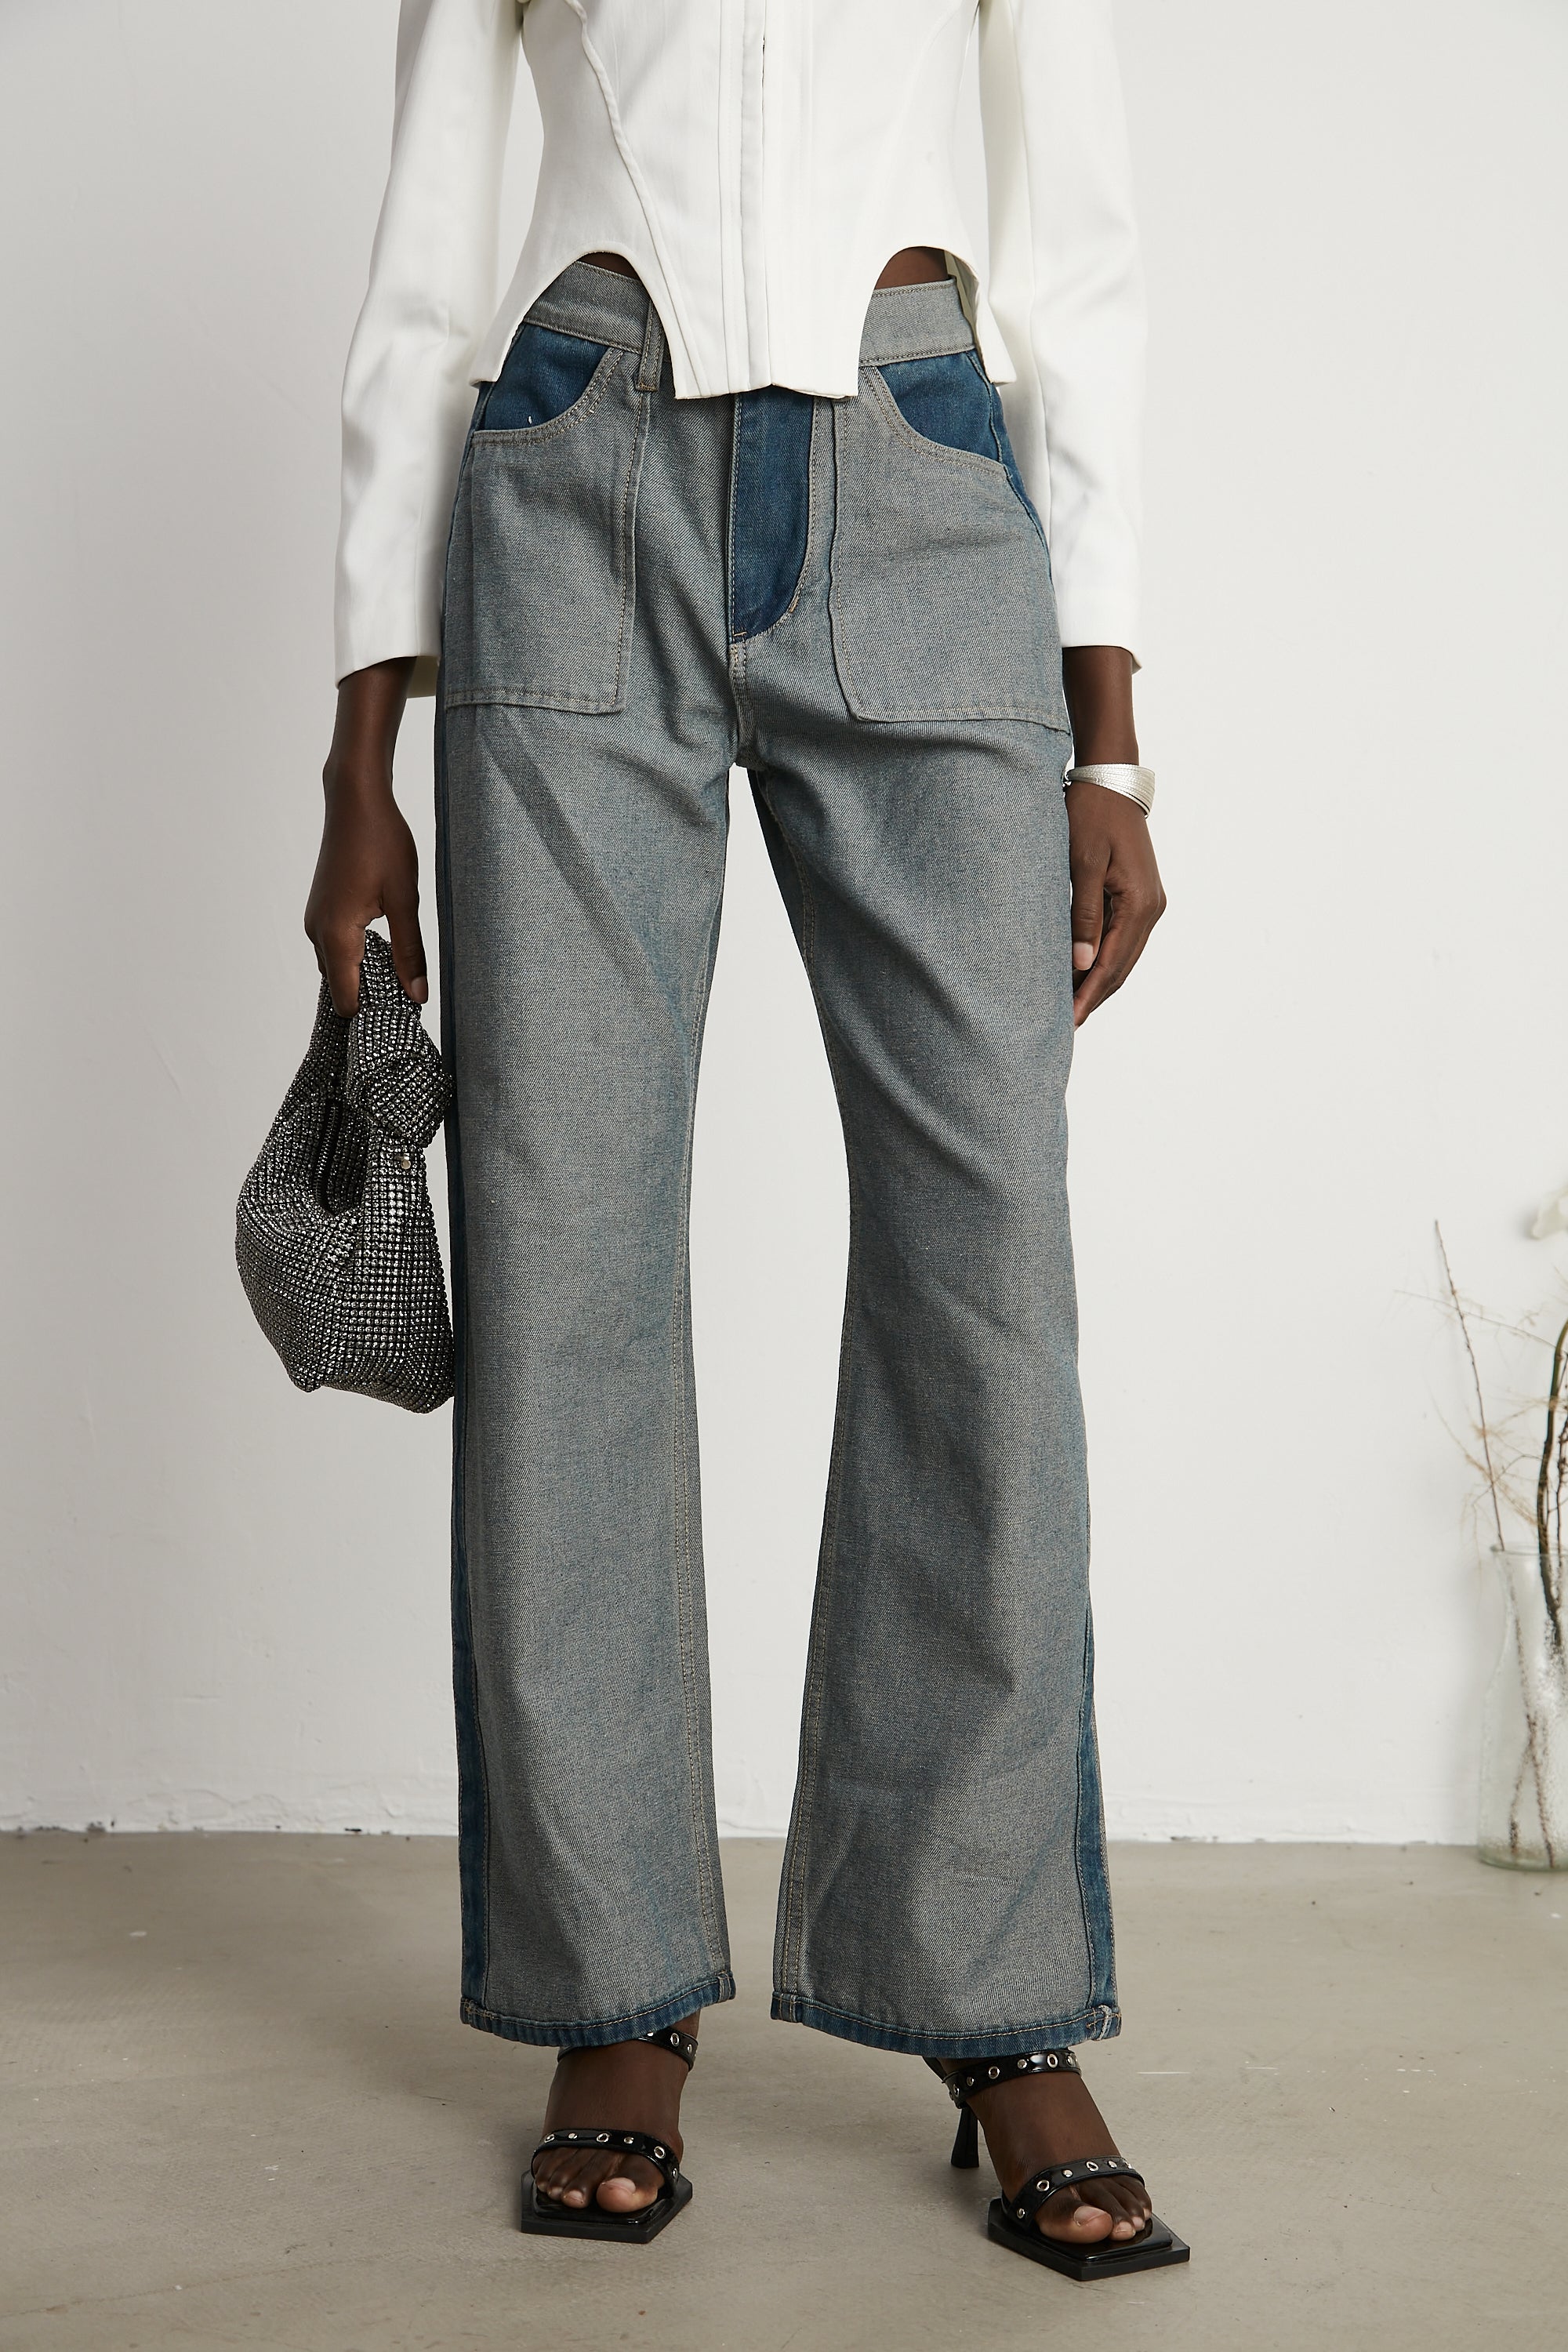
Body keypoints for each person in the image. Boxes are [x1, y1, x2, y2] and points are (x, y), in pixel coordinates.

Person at [305, 0, 1174, 2272]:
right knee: (565, 1259)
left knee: (987, 1271)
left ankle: (993, 1991)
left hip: (922, 463)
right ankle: (611, 1995)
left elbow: (1080, 254)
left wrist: (1108, 740)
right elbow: (424, 262)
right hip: (574, 468)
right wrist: (358, 760)